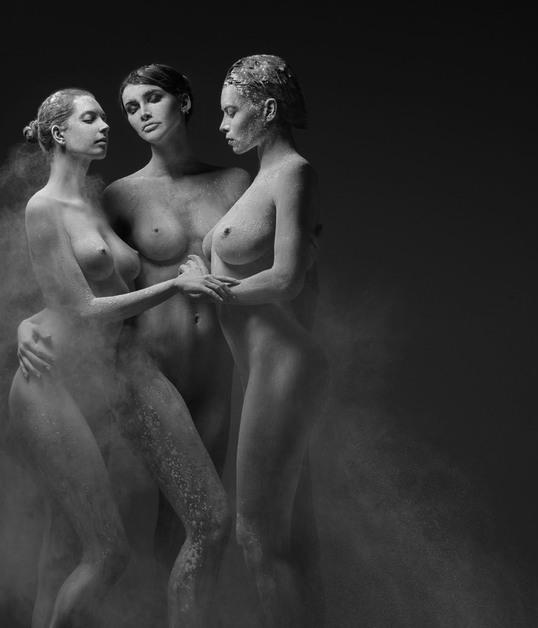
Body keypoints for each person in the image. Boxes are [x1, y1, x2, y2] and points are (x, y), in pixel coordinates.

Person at [7, 87, 234, 628]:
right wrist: (175, 286)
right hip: (55, 381)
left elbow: (73, 292)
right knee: (102, 553)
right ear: (59, 133)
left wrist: (30, 319)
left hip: (123, 368)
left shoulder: (96, 201)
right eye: (92, 118)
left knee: (211, 520)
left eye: (106, 117)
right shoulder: (43, 208)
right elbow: (80, 309)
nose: (107, 125)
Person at [201, 53, 329, 628]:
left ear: (268, 110)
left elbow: (286, 279)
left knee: (256, 535)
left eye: (232, 111)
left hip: (283, 362)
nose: (222, 124)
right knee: (285, 539)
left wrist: (214, 290)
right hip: (265, 365)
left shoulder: (294, 173)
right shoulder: (261, 180)